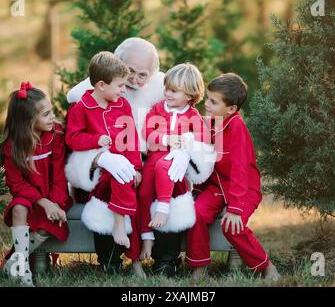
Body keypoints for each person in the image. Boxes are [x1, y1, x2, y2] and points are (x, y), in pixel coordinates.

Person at [64, 38, 216, 277]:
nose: (133, 80)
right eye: (129, 71)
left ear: (153, 74)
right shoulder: (87, 95)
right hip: (108, 162)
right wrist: (100, 159)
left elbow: (194, 132)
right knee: (106, 191)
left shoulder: (165, 90)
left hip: (154, 160)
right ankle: (111, 260)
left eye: (142, 74)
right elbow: (74, 143)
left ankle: (165, 260)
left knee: (170, 190)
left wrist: (185, 153)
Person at [185, 73, 280, 281]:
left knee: (232, 226)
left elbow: (240, 170)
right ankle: (199, 266)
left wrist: (235, 208)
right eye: (208, 98)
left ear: (231, 109)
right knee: (197, 214)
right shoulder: (210, 123)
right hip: (217, 187)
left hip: (244, 188)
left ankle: (266, 266)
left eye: (213, 101)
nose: (207, 104)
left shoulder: (236, 127)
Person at [65, 51, 142, 271]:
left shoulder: (123, 106)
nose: (124, 90)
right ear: (101, 85)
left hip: (124, 168)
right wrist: (95, 139)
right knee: (111, 183)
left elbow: (132, 139)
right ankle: (110, 261)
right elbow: (72, 139)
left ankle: (134, 258)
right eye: (120, 86)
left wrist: (137, 168)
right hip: (96, 172)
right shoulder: (81, 108)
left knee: (126, 179)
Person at [138, 63, 211, 277]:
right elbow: (147, 132)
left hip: (175, 166)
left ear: (189, 95)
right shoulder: (158, 108)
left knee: (167, 175)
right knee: (142, 193)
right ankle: (147, 237)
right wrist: (165, 138)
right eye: (166, 88)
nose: (167, 93)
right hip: (153, 159)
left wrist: (187, 139)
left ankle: (167, 257)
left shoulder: (193, 116)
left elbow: (204, 138)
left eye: (173, 90)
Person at [0, 82, 73, 286]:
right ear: (28, 121)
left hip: (54, 195)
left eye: (51, 112)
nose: (53, 117)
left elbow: (59, 176)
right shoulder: (13, 147)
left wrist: (54, 203)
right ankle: (22, 270)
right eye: (46, 114)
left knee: (51, 222)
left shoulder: (55, 135)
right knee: (19, 207)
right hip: (29, 196)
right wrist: (42, 202)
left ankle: (13, 263)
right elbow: (16, 184)